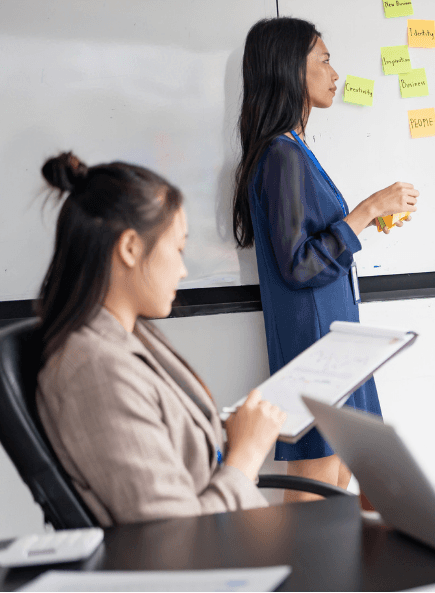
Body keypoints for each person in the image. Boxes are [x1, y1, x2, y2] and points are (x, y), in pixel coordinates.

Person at [35, 152, 287, 527]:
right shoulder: (96, 371)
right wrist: (247, 455)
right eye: (179, 248)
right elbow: (173, 536)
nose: (184, 271)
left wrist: (237, 435)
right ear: (131, 248)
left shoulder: (122, 338)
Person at [231, 17, 419, 501]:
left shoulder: (291, 149)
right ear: (293, 71)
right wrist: (367, 210)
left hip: (332, 338)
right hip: (316, 344)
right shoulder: (281, 155)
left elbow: (312, 246)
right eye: (325, 60)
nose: (335, 74)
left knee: (336, 490)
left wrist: (362, 222)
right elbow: (299, 265)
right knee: (313, 504)